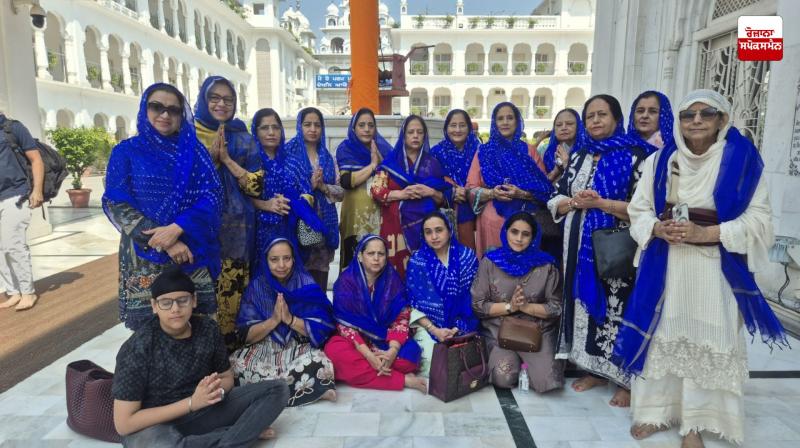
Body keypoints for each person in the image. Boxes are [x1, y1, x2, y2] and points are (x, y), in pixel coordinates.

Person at [616, 89, 788, 447]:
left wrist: (707, 233)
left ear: (722, 119)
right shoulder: (660, 160)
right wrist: (656, 228)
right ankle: (655, 412)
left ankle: (695, 423)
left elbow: (760, 220)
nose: (696, 121)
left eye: (706, 113)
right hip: (666, 263)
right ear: (678, 122)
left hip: (716, 266)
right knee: (662, 333)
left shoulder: (741, 161)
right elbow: (639, 209)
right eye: (687, 115)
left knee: (707, 336)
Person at [112, 266, 289, 447]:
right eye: (166, 303)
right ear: (154, 306)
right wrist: (191, 403)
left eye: (183, 300)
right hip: (156, 424)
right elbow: (124, 424)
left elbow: (226, 377)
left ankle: (220, 438)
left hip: (203, 412)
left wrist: (210, 393)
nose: (175, 309)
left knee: (278, 389)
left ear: (194, 300)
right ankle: (236, 436)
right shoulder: (137, 347)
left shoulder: (207, 329)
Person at [546, 94, 647, 407]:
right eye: (590, 116)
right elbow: (557, 196)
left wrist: (601, 204)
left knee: (618, 304)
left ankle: (624, 379)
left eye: (602, 115)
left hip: (617, 245)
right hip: (577, 246)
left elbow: (645, 207)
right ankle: (593, 369)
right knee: (582, 304)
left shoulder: (636, 155)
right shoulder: (580, 155)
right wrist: (575, 202)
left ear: (616, 118)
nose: (595, 121)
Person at [103, 83, 222, 331]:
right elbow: (117, 203)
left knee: (197, 325)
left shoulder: (194, 153)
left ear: (182, 115)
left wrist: (178, 228)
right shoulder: (126, 152)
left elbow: (212, 196)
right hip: (144, 253)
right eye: (157, 107)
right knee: (150, 330)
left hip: (190, 249)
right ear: (144, 109)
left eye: (173, 110)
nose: (165, 115)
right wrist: (165, 241)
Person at [194, 75, 263, 351]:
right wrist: (212, 162)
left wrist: (227, 161)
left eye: (228, 99)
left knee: (232, 300)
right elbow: (182, 186)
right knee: (200, 300)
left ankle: (230, 357)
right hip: (199, 231)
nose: (221, 104)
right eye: (214, 98)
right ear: (203, 100)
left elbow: (257, 186)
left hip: (237, 232)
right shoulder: (188, 136)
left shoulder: (243, 138)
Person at [231, 238, 336, 406]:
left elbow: (323, 328)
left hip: (298, 347)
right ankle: (303, 388)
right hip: (264, 348)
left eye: (286, 258)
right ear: (265, 260)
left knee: (321, 361)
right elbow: (246, 335)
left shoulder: (305, 283)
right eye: (274, 259)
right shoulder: (256, 287)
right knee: (236, 364)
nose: (281, 265)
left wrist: (290, 320)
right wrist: (273, 320)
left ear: (294, 259)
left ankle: (268, 391)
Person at [471, 212, 564, 392]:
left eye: (525, 234)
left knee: (548, 382)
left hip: (537, 331)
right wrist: (511, 307)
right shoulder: (490, 262)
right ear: (505, 232)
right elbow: (478, 305)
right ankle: (515, 362)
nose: (519, 239)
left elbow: (556, 307)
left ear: (534, 237)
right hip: (499, 330)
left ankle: (530, 365)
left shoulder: (547, 266)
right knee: (503, 378)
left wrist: (526, 307)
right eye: (514, 232)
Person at [324, 235, 427, 392]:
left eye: (381, 254)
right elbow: (344, 325)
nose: (376, 258)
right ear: (360, 256)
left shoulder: (392, 280)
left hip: (385, 339)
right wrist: (368, 355)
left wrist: (392, 351)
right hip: (356, 343)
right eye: (371, 253)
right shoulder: (346, 281)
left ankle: (370, 371)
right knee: (335, 352)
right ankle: (403, 380)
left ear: (386, 257)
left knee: (411, 355)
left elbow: (401, 317)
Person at [466, 102, 554, 259]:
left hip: (526, 221)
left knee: (525, 267)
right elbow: (471, 188)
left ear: (517, 121)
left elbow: (544, 189)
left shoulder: (529, 151)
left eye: (510, 118)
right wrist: (492, 193)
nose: (505, 122)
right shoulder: (484, 152)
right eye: (500, 118)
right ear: (494, 123)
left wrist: (521, 193)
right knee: (495, 266)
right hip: (493, 221)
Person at [371, 115, 451, 277]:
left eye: (420, 132)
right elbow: (376, 191)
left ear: (424, 136)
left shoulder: (432, 164)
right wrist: (402, 194)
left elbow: (445, 198)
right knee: (395, 273)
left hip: (426, 229)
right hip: (395, 227)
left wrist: (431, 192)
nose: (415, 136)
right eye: (411, 132)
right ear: (404, 135)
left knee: (425, 275)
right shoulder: (391, 162)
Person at [407, 211, 479, 376]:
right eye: (428, 232)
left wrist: (457, 328)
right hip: (429, 326)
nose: (434, 237)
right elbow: (412, 303)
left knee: (462, 364)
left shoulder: (467, 257)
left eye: (439, 230)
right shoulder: (417, 261)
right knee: (433, 367)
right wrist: (435, 330)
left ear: (449, 230)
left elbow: (475, 297)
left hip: (465, 324)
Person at [284, 108, 343, 289]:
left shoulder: (327, 157)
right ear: (299, 126)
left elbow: (341, 192)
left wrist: (323, 187)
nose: (313, 129)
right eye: (307, 124)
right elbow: (283, 189)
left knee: (319, 282)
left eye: (317, 125)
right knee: (297, 282)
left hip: (323, 228)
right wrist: (308, 186)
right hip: (297, 226)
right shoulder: (288, 154)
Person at [336, 108, 393, 270]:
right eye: (361, 125)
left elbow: (395, 178)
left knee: (378, 263)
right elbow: (346, 181)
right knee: (353, 266)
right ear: (353, 128)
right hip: (355, 218)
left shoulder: (384, 150)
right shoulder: (346, 149)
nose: (367, 129)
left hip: (380, 216)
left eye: (371, 125)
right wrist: (373, 165)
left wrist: (380, 160)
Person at [0, 113, 43, 311]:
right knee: (1, 249)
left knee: (13, 245)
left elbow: (36, 159)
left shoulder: (13, 128)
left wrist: (37, 190)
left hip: (15, 194)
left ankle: (28, 292)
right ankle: (13, 292)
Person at [430, 109, 481, 249]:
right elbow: (431, 180)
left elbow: (488, 177)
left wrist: (469, 192)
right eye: (453, 125)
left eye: (462, 125)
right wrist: (451, 191)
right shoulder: (436, 152)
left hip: (477, 203)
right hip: (446, 205)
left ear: (469, 128)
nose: (457, 130)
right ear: (446, 128)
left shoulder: (480, 150)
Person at [541, 109, 587, 182]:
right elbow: (540, 183)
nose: (564, 128)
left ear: (578, 127)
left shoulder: (588, 152)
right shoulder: (547, 153)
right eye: (559, 125)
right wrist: (554, 172)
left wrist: (567, 165)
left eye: (569, 124)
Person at [626, 90, 676, 156]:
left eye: (652, 111)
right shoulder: (621, 147)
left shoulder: (674, 151)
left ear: (664, 116)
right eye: (640, 111)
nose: (645, 116)